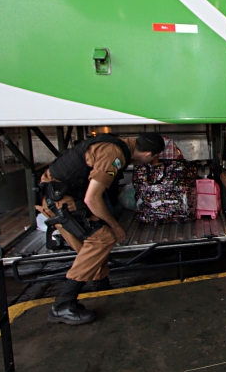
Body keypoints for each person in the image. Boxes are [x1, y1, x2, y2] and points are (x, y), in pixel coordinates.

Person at [38, 132, 163, 325]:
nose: (154, 162)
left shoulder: (121, 144)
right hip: (60, 200)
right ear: (148, 155)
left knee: (90, 248)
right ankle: (63, 305)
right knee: (102, 238)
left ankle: (102, 288)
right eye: (154, 158)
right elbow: (92, 198)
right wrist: (116, 226)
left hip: (60, 195)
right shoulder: (114, 154)